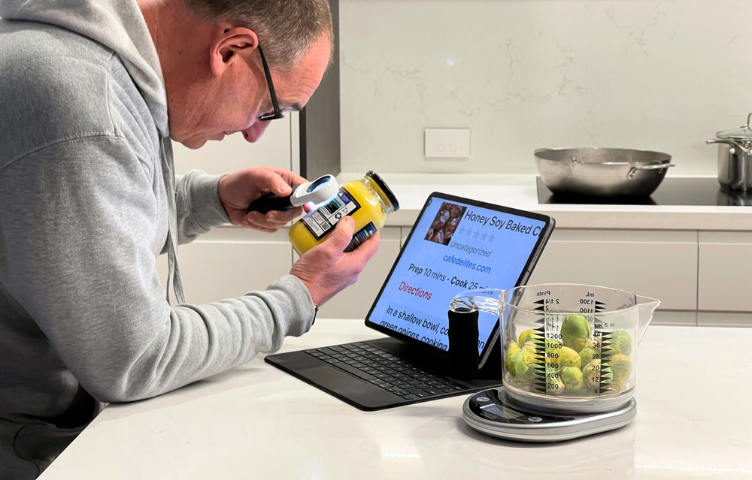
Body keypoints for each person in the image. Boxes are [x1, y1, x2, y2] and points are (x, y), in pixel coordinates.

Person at [0, 0, 378, 478]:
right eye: (269, 109)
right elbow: (135, 360)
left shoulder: (83, 60)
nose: (255, 135)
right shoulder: (84, 111)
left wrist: (211, 199)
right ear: (231, 49)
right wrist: (299, 296)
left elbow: (81, 227)